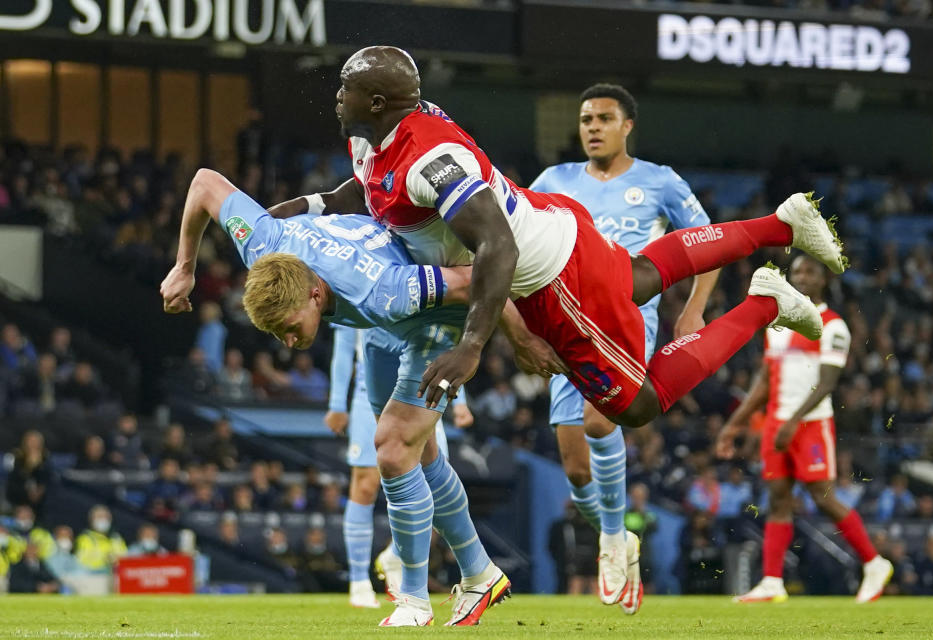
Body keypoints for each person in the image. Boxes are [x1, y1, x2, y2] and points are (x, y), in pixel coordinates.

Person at [265, 45, 845, 621]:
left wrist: (473, 345)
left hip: (550, 276)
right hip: (552, 222)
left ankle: (764, 303)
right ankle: (780, 223)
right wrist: (303, 207)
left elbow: (498, 245)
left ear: (378, 99)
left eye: (345, 86)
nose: (336, 96)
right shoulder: (374, 136)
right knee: (642, 277)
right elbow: (366, 191)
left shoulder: (429, 160)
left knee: (636, 404)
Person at [160, 168, 528, 626]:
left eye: (291, 328)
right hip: (378, 328)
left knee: (393, 448)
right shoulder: (261, 241)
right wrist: (185, 266)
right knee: (423, 455)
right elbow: (203, 183)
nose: (288, 343)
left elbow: (473, 278)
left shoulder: (384, 289)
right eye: (276, 333)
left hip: (431, 319)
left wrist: (520, 338)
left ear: (316, 293)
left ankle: (413, 601)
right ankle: (479, 571)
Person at [529, 83, 719, 612]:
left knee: (598, 421)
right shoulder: (555, 181)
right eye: (586, 118)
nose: (592, 127)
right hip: (565, 320)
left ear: (627, 125)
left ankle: (611, 540)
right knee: (574, 467)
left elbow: (708, 243)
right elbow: (518, 236)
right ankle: (618, 536)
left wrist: (694, 308)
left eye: (604, 118)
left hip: (627, 316)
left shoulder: (659, 181)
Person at [717, 254, 893, 603]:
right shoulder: (777, 326)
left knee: (822, 496)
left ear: (823, 279)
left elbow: (827, 383)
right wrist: (732, 426)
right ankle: (772, 581)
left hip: (810, 425)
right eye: (796, 271)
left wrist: (793, 421)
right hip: (776, 424)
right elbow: (764, 382)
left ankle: (874, 563)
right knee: (778, 500)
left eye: (810, 271)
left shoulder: (832, 325)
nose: (801, 277)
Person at [324, 324, 472, 608]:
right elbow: (343, 346)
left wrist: (460, 400)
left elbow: (445, 338)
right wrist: (336, 403)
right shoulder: (355, 284)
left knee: (438, 485)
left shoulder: (417, 282)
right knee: (365, 484)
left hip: (419, 386)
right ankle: (358, 582)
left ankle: (395, 555)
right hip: (370, 393)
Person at [74, 505, 127, 573]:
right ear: (91, 520)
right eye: (99, 517)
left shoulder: (116, 538)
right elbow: (82, 563)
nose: (103, 520)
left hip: (117, 576)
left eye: (105, 517)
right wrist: (106, 560)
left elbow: (125, 557)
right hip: (96, 577)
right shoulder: (85, 538)